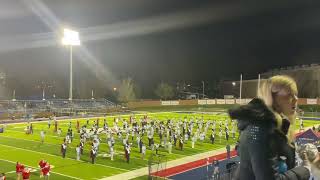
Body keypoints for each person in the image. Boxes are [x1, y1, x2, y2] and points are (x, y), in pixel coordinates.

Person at [228, 75, 310, 180]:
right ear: (272, 98)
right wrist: (305, 170)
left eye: (295, 94)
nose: (296, 99)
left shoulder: (271, 125)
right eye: (289, 95)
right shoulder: (262, 129)